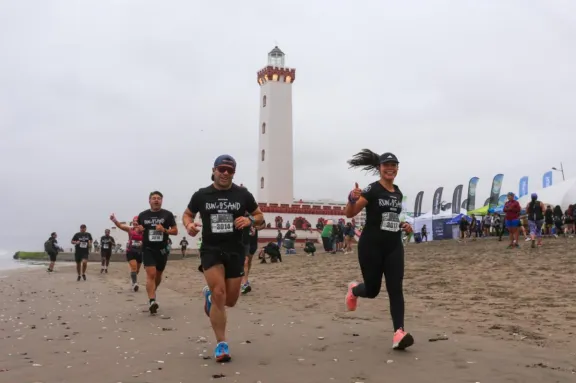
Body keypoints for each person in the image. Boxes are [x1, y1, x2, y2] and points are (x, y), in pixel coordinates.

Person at [182, 154, 264, 363]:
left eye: (230, 170)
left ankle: (209, 299)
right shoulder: (201, 195)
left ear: (234, 173)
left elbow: (260, 218)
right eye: (222, 169)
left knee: (231, 300)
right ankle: (221, 344)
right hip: (211, 249)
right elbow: (187, 214)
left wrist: (249, 220)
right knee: (219, 292)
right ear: (214, 170)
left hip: (235, 250)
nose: (225, 173)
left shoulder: (243, 195)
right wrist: (189, 225)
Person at [344, 149, 414, 350]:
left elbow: (391, 219)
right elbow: (350, 213)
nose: (390, 169)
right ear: (379, 168)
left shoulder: (398, 193)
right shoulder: (372, 190)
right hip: (371, 247)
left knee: (395, 289)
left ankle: (399, 333)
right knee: (372, 290)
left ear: (397, 169)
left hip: (393, 246)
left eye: (393, 166)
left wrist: (404, 225)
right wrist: (351, 198)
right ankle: (355, 290)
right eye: (386, 165)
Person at [137, 191, 178, 314]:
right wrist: (139, 230)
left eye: (158, 198)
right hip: (148, 249)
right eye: (153, 198)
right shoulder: (142, 215)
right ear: (149, 201)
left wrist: (164, 230)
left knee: (158, 275)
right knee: (151, 274)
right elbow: (139, 230)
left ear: (161, 201)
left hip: (162, 250)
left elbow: (175, 231)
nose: (156, 200)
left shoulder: (167, 215)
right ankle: (152, 301)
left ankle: (153, 292)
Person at [110, 214, 144, 291]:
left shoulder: (144, 231)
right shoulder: (130, 229)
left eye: (137, 222)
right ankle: (135, 284)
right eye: (134, 222)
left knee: (137, 270)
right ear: (132, 222)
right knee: (134, 267)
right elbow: (120, 226)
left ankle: (133, 280)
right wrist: (114, 219)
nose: (136, 223)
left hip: (139, 252)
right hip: (130, 251)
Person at [241, 219, 265, 295]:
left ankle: (245, 278)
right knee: (245, 261)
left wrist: (257, 227)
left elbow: (264, 224)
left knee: (249, 261)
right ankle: (244, 282)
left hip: (253, 242)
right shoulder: (242, 214)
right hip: (244, 241)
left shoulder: (255, 215)